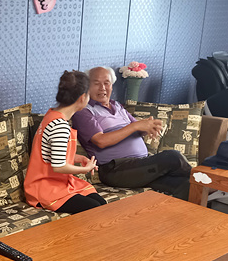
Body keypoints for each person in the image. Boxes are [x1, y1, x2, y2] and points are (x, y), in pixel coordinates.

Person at [72, 66, 191, 200]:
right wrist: (135, 126)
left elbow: (138, 129)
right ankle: (203, 178)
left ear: (112, 86)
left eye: (106, 83)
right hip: (116, 169)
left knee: (186, 185)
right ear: (87, 86)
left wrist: (148, 127)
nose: (102, 88)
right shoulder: (84, 110)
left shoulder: (117, 106)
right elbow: (100, 141)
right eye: (96, 83)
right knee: (173, 157)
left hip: (141, 165)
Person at [24, 70, 107, 213]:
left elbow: (53, 154)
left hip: (57, 183)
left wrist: (79, 158)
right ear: (82, 98)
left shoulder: (52, 114)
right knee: (95, 209)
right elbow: (59, 166)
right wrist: (84, 169)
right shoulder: (60, 126)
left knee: (101, 203)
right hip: (46, 187)